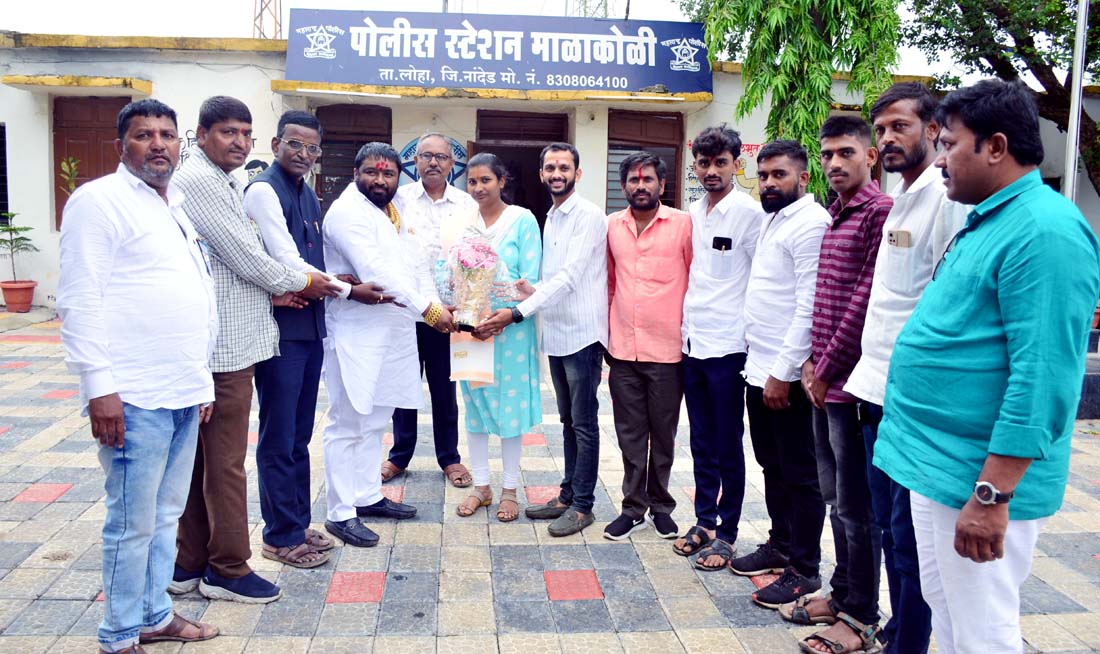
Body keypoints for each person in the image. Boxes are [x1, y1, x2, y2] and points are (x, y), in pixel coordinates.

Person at [875, 79, 1100, 653]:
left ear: (996, 147)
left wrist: (992, 493)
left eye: (950, 144)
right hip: (938, 464)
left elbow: (1044, 377)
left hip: (976, 477)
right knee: (947, 611)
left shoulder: (1045, 232)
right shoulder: (989, 219)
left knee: (983, 632)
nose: (940, 159)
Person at [58, 98, 220, 653]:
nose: (158, 144)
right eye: (144, 135)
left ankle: (154, 614)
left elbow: (193, 297)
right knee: (131, 523)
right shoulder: (98, 202)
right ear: (120, 145)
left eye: (167, 135)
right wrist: (98, 388)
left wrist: (200, 382)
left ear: (180, 145)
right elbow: (79, 300)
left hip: (182, 391)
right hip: (132, 395)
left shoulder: (174, 205)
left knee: (166, 514)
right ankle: (120, 633)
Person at [171, 98, 339, 600]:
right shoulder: (210, 182)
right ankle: (231, 565)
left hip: (244, 333)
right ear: (201, 134)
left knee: (209, 460)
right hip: (228, 343)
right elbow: (249, 256)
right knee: (230, 459)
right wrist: (303, 284)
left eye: (245, 133)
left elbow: (245, 261)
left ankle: (188, 564)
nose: (239, 142)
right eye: (228, 132)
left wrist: (292, 287)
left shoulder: (231, 181)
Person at [844, 82, 965, 654]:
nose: (888, 139)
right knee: (889, 527)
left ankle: (909, 642)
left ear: (933, 130)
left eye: (901, 126)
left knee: (908, 536)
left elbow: (942, 303)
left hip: (909, 399)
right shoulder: (903, 194)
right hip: (874, 389)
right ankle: (898, 631)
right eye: (882, 129)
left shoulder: (945, 199)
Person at [244, 111, 389, 570]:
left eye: (311, 148)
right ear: (275, 144)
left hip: (309, 325)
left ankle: (296, 523)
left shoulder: (306, 191)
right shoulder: (264, 191)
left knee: (298, 435)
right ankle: (278, 536)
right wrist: (348, 290)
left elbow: (314, 259)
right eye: (294, 144)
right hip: (280, 330)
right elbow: (287, 260)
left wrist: (338, 278)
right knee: (278, 435)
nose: (303, 154)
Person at [789, 116, 892, 653]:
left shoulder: (879, 213)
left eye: (846, 152)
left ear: (870, 156)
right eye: (827, 154)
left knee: (857, 508)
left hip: (852, 387)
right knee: (835, 499)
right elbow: (822, 302)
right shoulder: (835, 215)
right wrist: (811, 362)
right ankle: (843, 591)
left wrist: (825, 367)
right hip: (823, 381)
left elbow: (863, 304)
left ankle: (862, 617)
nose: (834, 163)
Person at [321, 142, 452, 547]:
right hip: (357, 332)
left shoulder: (395, 211)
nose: (380, 180)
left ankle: (367, 496)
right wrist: (429, 311)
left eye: (388, 173)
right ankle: (340, 512)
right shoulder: (346, 213)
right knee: (348, 421)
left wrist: (432, 303)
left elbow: (417, 266)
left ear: (399, 177)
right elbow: (376, 272)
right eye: (372, 172)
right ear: (355, 173)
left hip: (395, 329)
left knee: (377, 418)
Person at [480, 142, 608, 536]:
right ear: (541, 174)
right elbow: (553, 279)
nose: (557, 174)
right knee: (568, 421)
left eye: (564, 167)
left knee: (583, 423)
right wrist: (529, 290)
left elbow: (570, 278)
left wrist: (519, 310)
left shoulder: (588, 215)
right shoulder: (551, 216)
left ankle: (583, 505)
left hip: (582, 334)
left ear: (577, 173)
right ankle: (568, 495)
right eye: (550, 168)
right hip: (556, 331)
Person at [730, 140, 829, 608]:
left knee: (800, 474)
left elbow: (809, 306)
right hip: (759, 366)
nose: (768, 183)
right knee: (772, 464)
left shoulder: (811, 224)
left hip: (784, 375)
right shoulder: (773, 218)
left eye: (779, 175)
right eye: (764, 175)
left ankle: (804, 569)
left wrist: (782, 374)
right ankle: (781, 544)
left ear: (803, 178)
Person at [672, 126, 764, 568]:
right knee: (701, 440)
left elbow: (761, 279)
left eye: (720, 163)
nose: (711, 171)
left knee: (728, 442)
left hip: (729, 346)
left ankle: (727, 533)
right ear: (695, 165)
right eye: (704, 163)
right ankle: (704, 521)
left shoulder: (750, 214)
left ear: (736, 165)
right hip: (693, 342)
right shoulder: (694, 211)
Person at [603, 151, 692, 541]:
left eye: (648, 179)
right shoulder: (611, 226)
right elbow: (609, 282)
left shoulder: (683, 225)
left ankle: (662, 507)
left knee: (663, 433)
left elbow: (696, 279)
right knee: (630, 433)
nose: (641, 186)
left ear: (662, 185)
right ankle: (633, 508)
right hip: (623, 349)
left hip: (668, 352)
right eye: (634, 180)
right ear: (623, 186)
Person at [454, 152, 542, 522]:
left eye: (485, 180)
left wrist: (504, 315)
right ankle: (482, 487)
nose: (478, 188)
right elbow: (452, 270)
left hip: (509, 329)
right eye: (472, 181)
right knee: (474, 409)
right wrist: (462, 311)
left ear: (502, 181)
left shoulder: (522, 220)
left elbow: (531, 279)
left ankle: (509, 490)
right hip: (469, 329)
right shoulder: (463, 221)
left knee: (510, 409)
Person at [386, 132, 476, 488]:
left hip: (447, 316)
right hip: (407, 310)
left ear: (452, 163)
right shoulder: (399, 200)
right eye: (426, 156)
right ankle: (399, 456)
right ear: (415, 161)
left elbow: (475, 255)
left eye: (440, 157)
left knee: (444, 389)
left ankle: (449, 458)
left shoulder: (466, 204)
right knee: (403, 386)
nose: (433, 162)